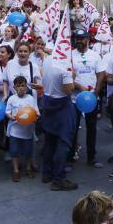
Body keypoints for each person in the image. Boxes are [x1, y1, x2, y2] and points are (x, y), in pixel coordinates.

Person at [40, 52, 77, 191]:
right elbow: (68, 90)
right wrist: (73, 76)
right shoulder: (65, 65)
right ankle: (59, 179)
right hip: (61, 105)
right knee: (64, 142)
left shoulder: (48, 59)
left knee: (50, 140)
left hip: (48, 102)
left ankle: (47, 172)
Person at [70, 29, 106, 168]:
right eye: (77, 38)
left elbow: (101, 75)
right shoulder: (70, 56)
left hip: (91, 99)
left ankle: (91, 157)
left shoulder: (95, 55)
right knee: (73, 129)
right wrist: (79, 87)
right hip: (74, 99)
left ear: (88, 39)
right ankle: (71, 156)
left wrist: (95, 94)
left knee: (92, 128)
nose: (79, 40)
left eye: (82, 38)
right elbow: (68, 77)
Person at [5, 75, 40, 181]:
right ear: (14, 87)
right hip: (15, 131)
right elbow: (7, 112)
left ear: (26, 87)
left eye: (23, 86)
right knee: (14, 151)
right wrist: (11, 117)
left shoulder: (31, 99)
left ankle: (28, 168)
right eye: (18, 86)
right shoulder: (11, 99)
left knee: (28, 151)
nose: (21, 88)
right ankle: (16, 170)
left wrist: (35, 118)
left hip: (27, 131)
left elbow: (37, 112)